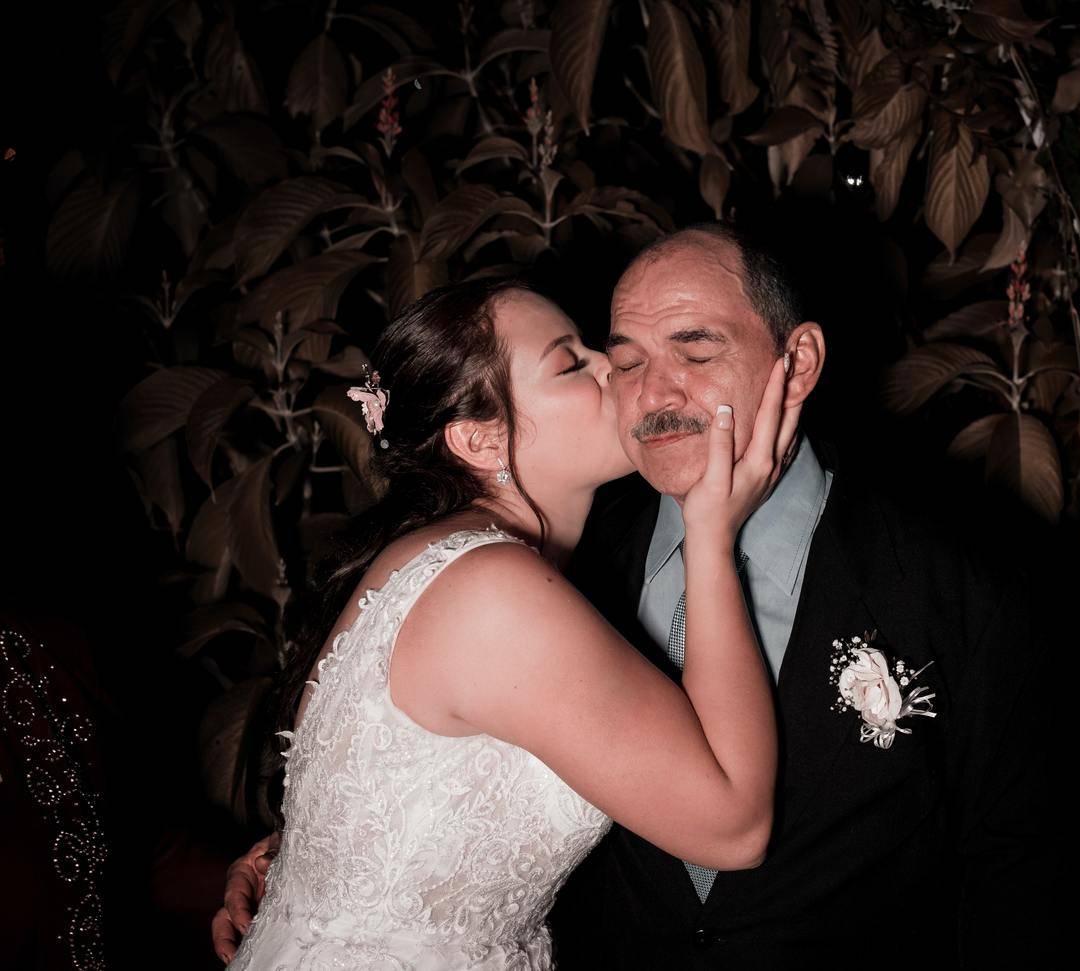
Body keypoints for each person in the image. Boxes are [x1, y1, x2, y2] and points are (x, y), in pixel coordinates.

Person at [218, 225, 1080, 968]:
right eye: (618, 358)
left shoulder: (963, 580)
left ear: (798, 363)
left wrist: (307, 874)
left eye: (696, 348)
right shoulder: (552, 568)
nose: (642, 388)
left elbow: (1023, 877)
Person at [218, 276, 801, 968]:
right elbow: (732, 824)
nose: (611, 366)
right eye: (571, 362)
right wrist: (711, 530)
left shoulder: (442, 560)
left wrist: (289, 871)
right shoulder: (491, 591)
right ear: (480, 438)